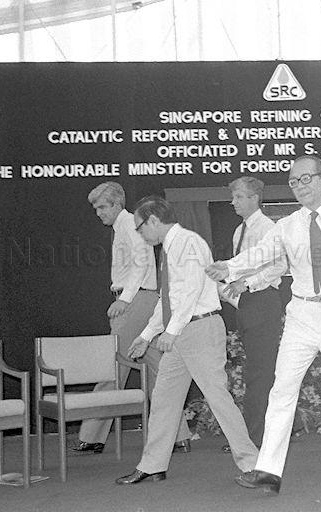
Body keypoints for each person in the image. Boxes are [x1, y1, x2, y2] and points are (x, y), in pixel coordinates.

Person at [206, 155, 321, 494]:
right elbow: (259, 254)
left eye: (305, 179)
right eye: (293, 182)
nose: (300, 187)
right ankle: (268, 471)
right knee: (281, 389)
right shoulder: (286, 225)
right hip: (301, 315)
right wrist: (228, 268)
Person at [116, 195, 257, 484]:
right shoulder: (170, 247)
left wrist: (170, 331)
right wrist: (146, 335)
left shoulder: (188, 243)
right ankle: (153, 465)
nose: (140, 233)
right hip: (183, 332)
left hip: (199, 330)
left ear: (154, 220)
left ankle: (252, 465)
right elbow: (167, 301)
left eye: (140, 227)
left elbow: (191, 291)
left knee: (218, 399)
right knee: (165, 400)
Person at [75, 182, 191, 455]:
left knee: (111, 365)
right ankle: (178, 435)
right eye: (96, 208)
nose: (98, 213)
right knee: (157, 371)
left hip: (135, 301)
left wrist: (125, 299)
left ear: (117, 204)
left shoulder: (128, 224)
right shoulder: (125, 226)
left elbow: (141, 264)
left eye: (102, 207)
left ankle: (92, 436)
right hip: (146, 301)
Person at [219, 177, 286, 450]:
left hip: (263, 302)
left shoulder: (269, 228)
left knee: (260, 371)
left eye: (238, 197)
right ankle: (277, 429)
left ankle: (254, 437)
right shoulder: (239, 231)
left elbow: (279, 265)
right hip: (246, 304)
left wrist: (246, 284)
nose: (233, 202)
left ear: (254, 198)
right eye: (233, 197)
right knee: (256, 369)